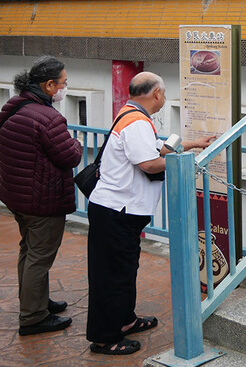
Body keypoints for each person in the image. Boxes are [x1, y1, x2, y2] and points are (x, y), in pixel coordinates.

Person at [86, 72, 214, 355]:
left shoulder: (130, 113)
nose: (164, 100)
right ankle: (105, 337)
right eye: (165, 94)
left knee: (124, 268)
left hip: (117, 211)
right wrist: (183, 161)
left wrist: (191, 143)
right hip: (115, 211)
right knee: (112, 274)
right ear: (156, 93)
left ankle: (125, 320)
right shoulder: (136, 122)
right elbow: (150, 164)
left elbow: (156, 148)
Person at [0, 56, 81, 336]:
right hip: (42, 201)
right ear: (48, 85)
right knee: (39, 256)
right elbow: (69, 156)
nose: (65, 88)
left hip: (17, 196)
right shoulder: (48, 118)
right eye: (63, 83)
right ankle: (33, 316)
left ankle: (36, 301)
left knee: (29, 251)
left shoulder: (13, 107)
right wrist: (77, 143)